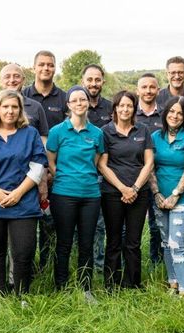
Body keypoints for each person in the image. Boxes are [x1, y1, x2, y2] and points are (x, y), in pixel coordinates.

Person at [0, 63, 52, 273]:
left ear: (20, 110)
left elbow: (37, 166)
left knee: (23, 254)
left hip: (23, 201)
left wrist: (18, 193)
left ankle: (21, 297)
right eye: (5, 107)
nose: (10, 111)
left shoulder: (30, 134)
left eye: (14, 107)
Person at [46, 86, 104, 303]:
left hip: (90, 194)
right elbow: (51, 160)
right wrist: (62, 176)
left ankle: (86, 287)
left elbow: (97, 162)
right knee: (64, 242)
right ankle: (61, 286)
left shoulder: (97, 133)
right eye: (75, 100)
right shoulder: (57, 132)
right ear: (68, 105)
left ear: (88, 103)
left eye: (83, 99)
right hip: (63, 194)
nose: (79, 103)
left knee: (87, 242)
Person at [97, 91, 154, 289]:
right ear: (115, 108)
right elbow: (102, 165)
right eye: (121, 105)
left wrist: (135, 188)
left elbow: (149, 162)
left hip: (140, 192)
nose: (125, 109)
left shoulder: (143, 130)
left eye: (129, 105)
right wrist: (123, 188)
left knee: (133, 241)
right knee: (113, 240)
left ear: (134, 108)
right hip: (113, 193)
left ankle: (132, 283)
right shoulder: (105, 131)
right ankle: (111, 284)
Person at [149, 96, 184, 296]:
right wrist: (156, 193)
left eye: (180, 113)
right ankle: (173, 284)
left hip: (182, 198)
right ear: (165, 113)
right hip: (159, 197)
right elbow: (150, 167)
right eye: (171, 111)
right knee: (165, 244)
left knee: (176, 244)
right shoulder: (155, 137)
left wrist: (175, 195)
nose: (175, 116)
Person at [82, 64, 112, 272]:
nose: (93, 84)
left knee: (100, 224)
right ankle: (80, 265)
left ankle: (99, 266)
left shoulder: (111, 107)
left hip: (105, 174)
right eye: (90, 80)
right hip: (79, 174)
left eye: (97, 80)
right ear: (83, 80)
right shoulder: (75, 103)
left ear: (103, 81)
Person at [135, 73, 164, 265]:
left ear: (158, 91)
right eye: (144, 87)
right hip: (131, 178)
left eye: (152, 87)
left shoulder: (166, 114)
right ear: (137, 90)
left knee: (157, 225)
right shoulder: (128, 112)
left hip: (158, 179)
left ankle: (157, 263)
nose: (148, 91)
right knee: (129, 227)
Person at [22, 50, 67, 127]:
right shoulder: (22, 96)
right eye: (41, 65)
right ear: (34, 68)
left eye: (50, 65)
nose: (46, 68)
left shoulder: (65, 98)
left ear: (55, 69)